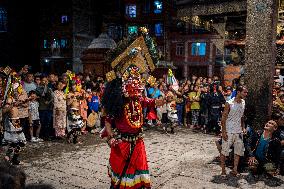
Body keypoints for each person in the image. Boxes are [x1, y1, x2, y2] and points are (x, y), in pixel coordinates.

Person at [220, 85, 248, 176]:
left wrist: (243, 127)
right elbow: (223, 118)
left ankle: (235, 169)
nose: (246, 94)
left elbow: (242, 116)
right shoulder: (229, 103)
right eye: (244, 92)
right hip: (229, 130)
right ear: (239, 92)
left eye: (246, 92)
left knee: (238, 151)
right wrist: (223, 132)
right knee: (224, 151)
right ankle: (223, 170)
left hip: (238, 131)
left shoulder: (243, 102)